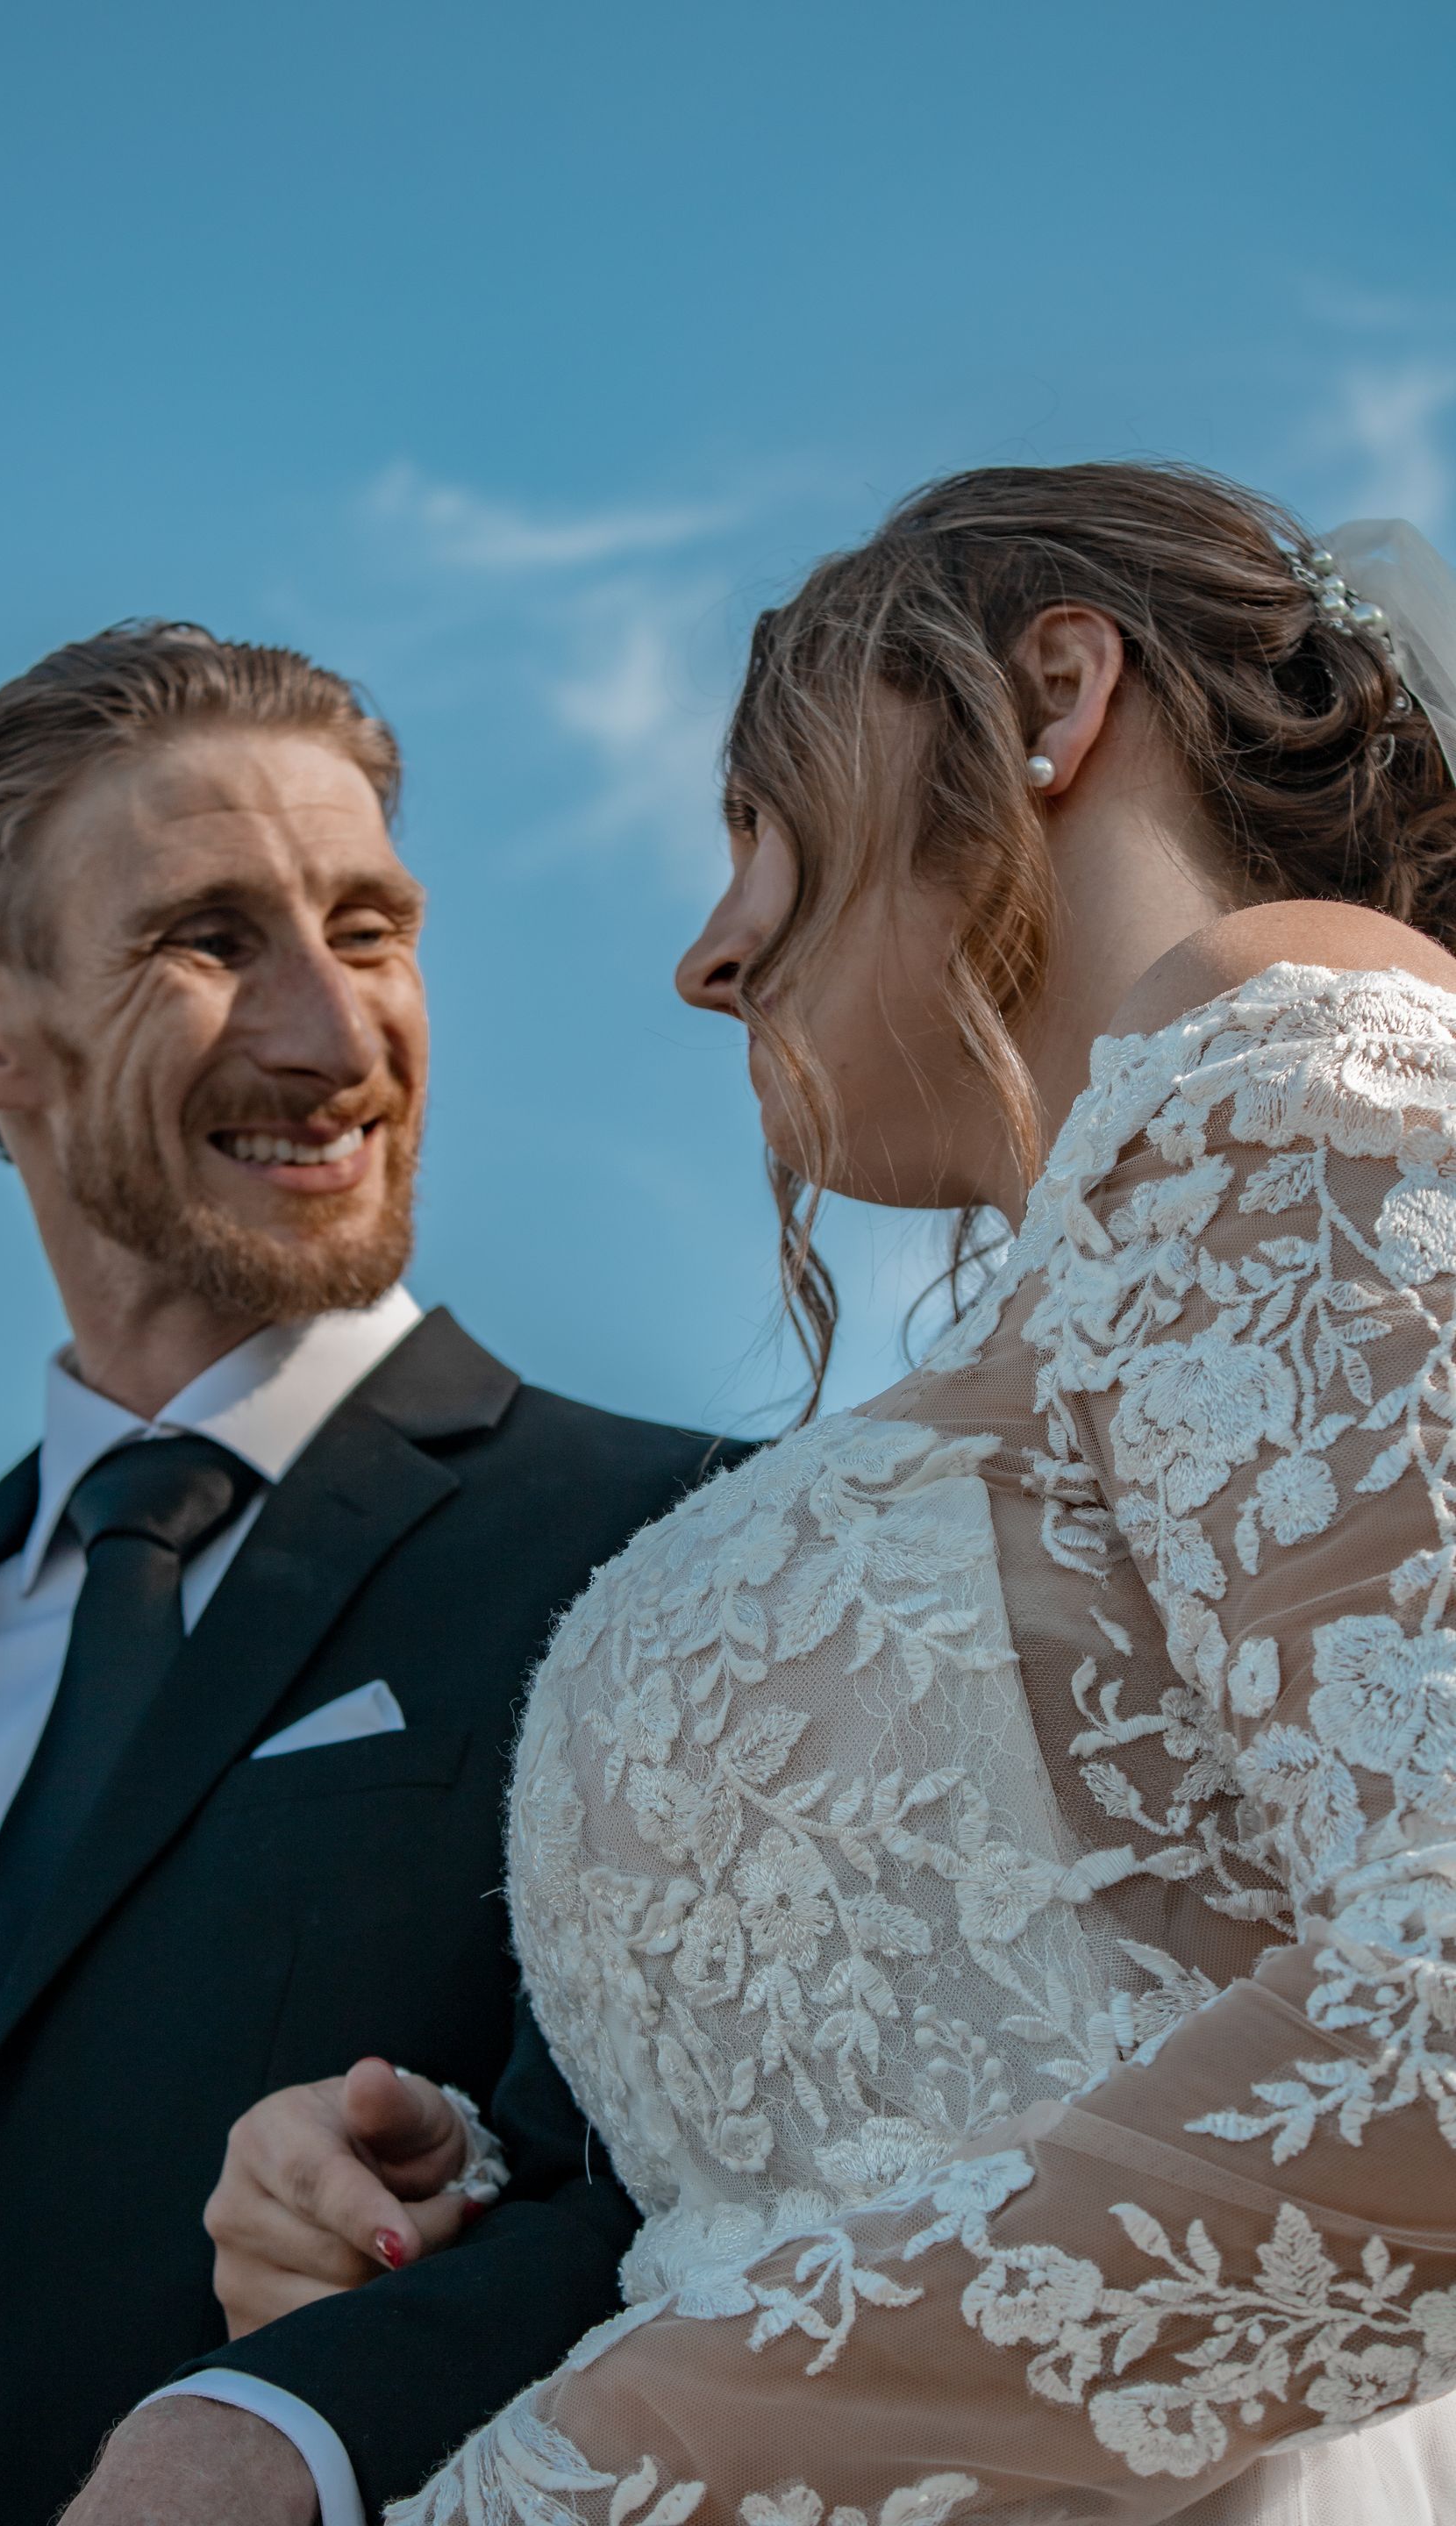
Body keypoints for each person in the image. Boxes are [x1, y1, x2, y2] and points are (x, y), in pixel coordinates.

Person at [200, 469, 1456, 2523]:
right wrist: (510, 2189)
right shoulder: (1147, 1247)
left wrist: (597, 2463)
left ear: (1053, 694)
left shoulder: (1307, 1097)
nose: (710, 956)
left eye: (760, 816)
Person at [0, 624, 750, 2526]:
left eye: (371, 932)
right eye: (208, 941)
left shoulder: (697, 1544)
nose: (330, 1034)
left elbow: (749, 2208)